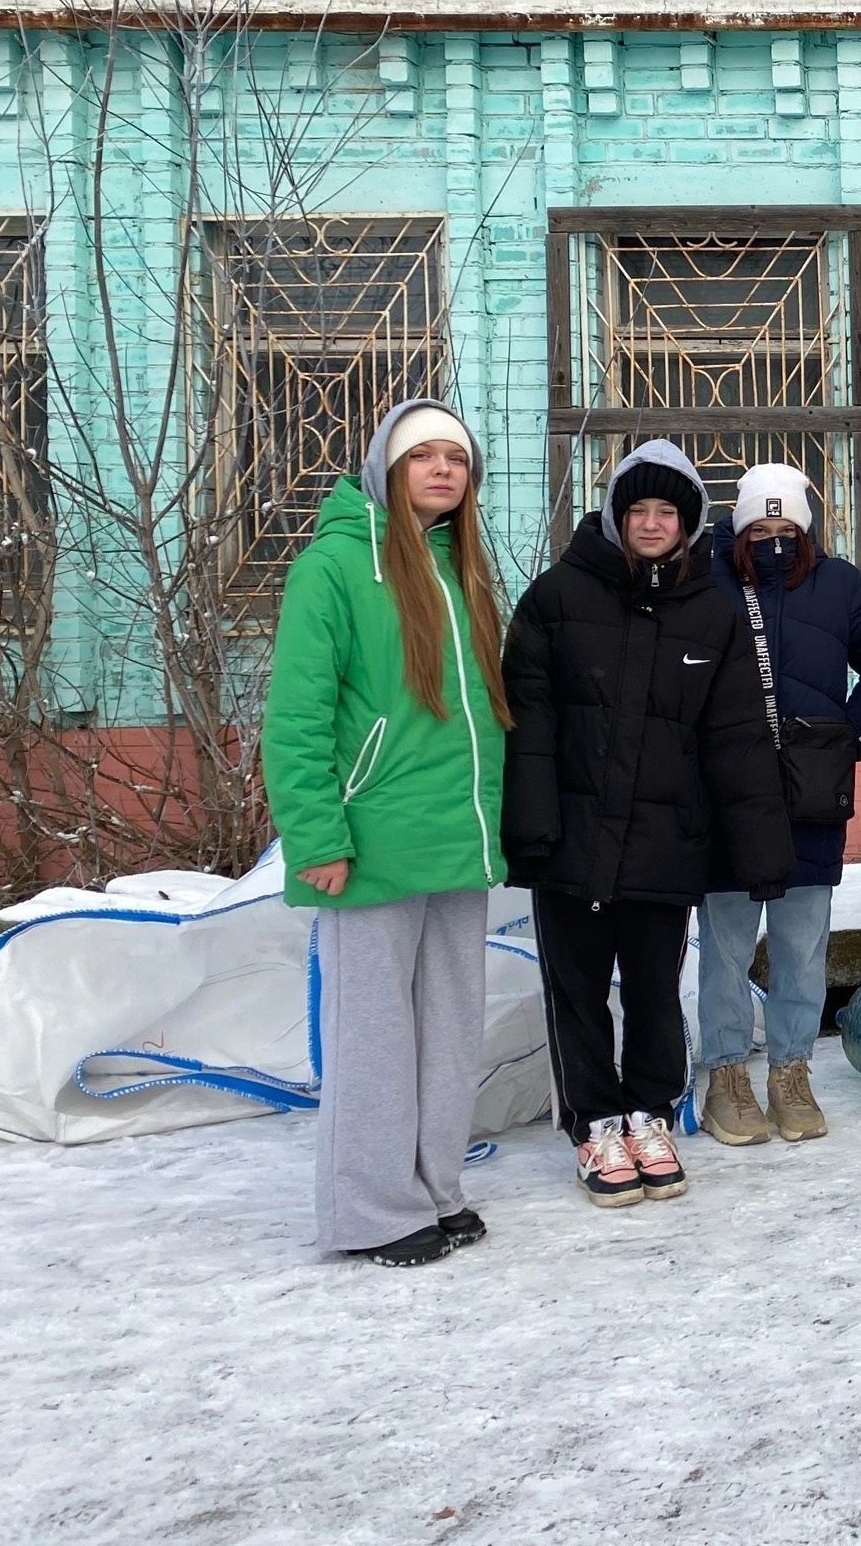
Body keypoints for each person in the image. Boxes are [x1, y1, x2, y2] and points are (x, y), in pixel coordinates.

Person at [502, 441, 794, 1207]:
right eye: (641, 510)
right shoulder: (556, 599)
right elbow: (527, 724)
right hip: (570, 837)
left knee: (656, 991)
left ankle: (649, 1113)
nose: (654, 523)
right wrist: (531, 827)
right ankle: (596, 1125)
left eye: (669, 511)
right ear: (617, 517)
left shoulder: (711, 616)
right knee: (578, 990)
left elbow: (737, 741)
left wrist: (762, 849)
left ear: (691, 523)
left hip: (666, 844)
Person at [262, 400, 512, 1268]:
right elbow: (296, 717)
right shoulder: (331, 568)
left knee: (449, 1028)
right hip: (370, 841)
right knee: (373, 1035)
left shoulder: (465, 569)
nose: (443, 470)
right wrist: (315, 835)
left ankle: (435, 1189)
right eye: (422, 457)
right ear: (385, 468)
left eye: (457, 458)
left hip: (457, 837)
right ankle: (370, 1209)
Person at [697, 463, 861, 1149]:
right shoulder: (706, 577)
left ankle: (790, 1071)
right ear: (739, 526)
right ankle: (725, 1075)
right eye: (760, 527)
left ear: (807, 526)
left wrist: (854, 733)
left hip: (810, 793)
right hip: (727, 794)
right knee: (725, 943)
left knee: (803, 944)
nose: (774, 539)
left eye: (786, 527)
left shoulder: (842, 586)